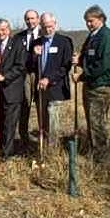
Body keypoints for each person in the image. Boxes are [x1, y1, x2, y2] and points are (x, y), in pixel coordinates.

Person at [73, 5, 110, 155]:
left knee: (97, 122)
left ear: (101, 19)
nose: (88, 24)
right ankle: (94, 150)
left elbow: (103, 65)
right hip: (92, 84)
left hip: (101, 85)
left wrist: (81, 76)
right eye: (86, 21)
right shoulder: (93, 35)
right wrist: (79, 60)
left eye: (91, 21)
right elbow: (89, 57)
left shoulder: (106, 37)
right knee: (92, 121)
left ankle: (101, 156)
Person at [31, 13, 73, 147]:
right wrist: (33, 55)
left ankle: (52, 149)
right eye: (44, 27)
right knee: (42, 120)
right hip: (40, 88)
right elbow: (29, 66)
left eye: (50, 26)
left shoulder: (64, 41)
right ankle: (43, 146)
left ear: (55, 24)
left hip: (55, 88)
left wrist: (49, 79)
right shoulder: (36, 42)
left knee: (53, 121)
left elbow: (65, 67)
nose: (47, 30)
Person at [0, 19, 26, 160]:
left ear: (9, 30)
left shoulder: (17, 44)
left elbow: (21, 66)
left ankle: (7, 153)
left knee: (9, 124)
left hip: (11, 90)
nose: (0, 32)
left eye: (3, 29)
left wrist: (5, 77)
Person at [15, 9, 41, 146]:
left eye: (32, 18)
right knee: (24, 104)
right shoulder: (19, 37)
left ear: (38, 19)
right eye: (27, 19)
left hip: (40, 74)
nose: (30, 21)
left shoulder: (45, 34)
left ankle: (43, 137)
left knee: (41, 105)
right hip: (24, 75)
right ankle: (23, 136)